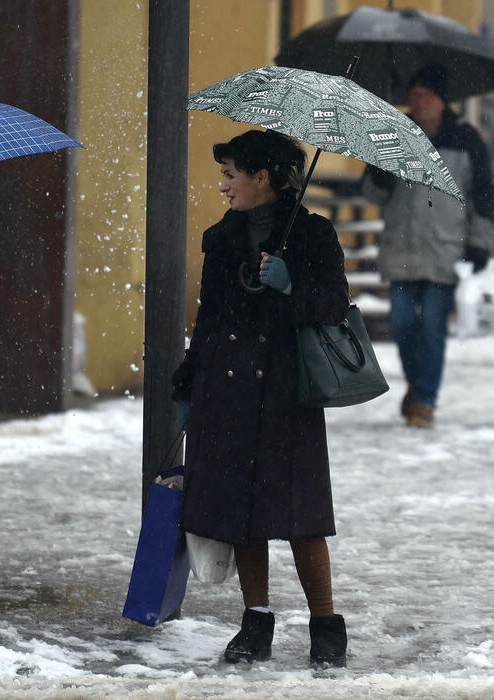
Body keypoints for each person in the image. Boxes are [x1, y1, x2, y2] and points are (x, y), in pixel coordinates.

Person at [171, 130, 351, 667]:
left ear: (262, 177)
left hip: (286, 393)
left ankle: (326, 627)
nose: (223, 186)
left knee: (301, 515)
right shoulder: (219, 238)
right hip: (227, 388)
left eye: (231, 174)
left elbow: (335, 306)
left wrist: (292, 286)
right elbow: (209, 318)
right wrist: (189, 380)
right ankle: (256, 622)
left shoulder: (314, 235)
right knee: (242, 514)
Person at [362, 64, 494, 429]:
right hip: (402, 249)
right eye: (415, 93)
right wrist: (378, 168)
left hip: (446, 251)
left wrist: (480, 244)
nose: (419, 100)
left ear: (443, 101)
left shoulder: (466, 140)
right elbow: (371, 193)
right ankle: (417, 384)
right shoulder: (393, 135)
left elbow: (484, 197)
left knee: (433, 326)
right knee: (402, 322)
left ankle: (424, 400)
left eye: (427, 94)